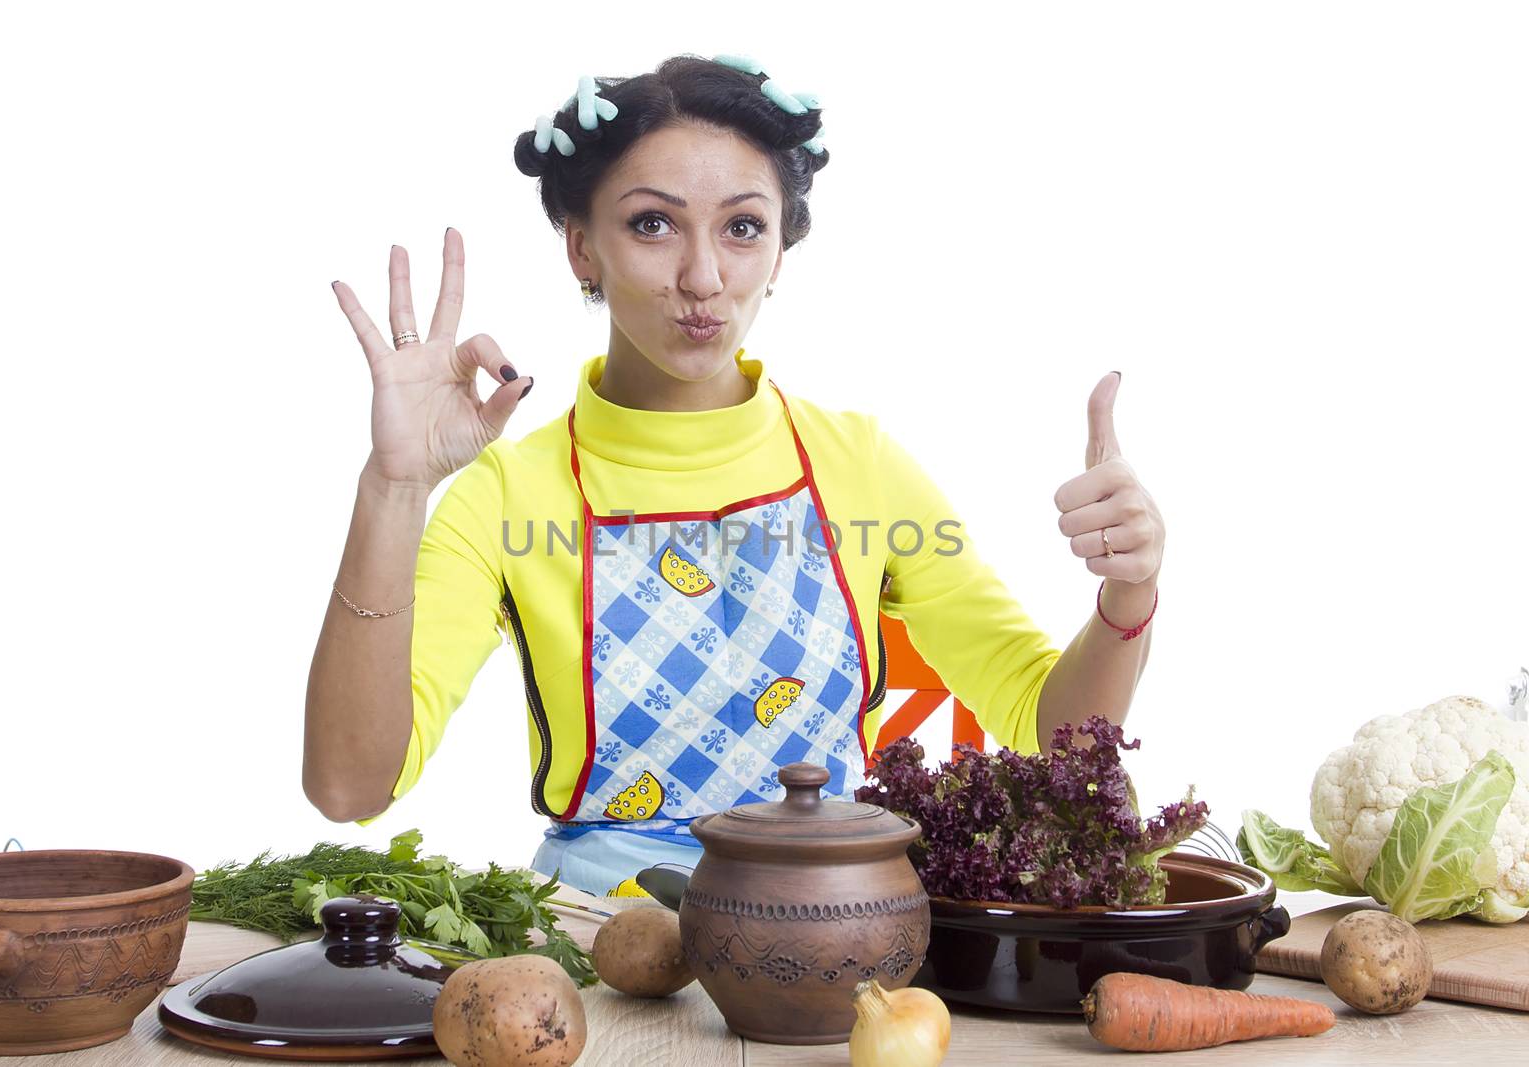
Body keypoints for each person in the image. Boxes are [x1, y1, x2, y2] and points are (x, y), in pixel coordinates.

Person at [302, 54, 1166, 897]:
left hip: (840, 931)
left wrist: (1129, 592)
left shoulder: (858, 465)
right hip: (599, 945)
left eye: (743, 227)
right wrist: (395, 487)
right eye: (652, 223)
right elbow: (350, 786)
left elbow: (1054, 737)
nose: (703, 277)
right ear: (581, 249)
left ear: (781, 249)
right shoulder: (506, 494)